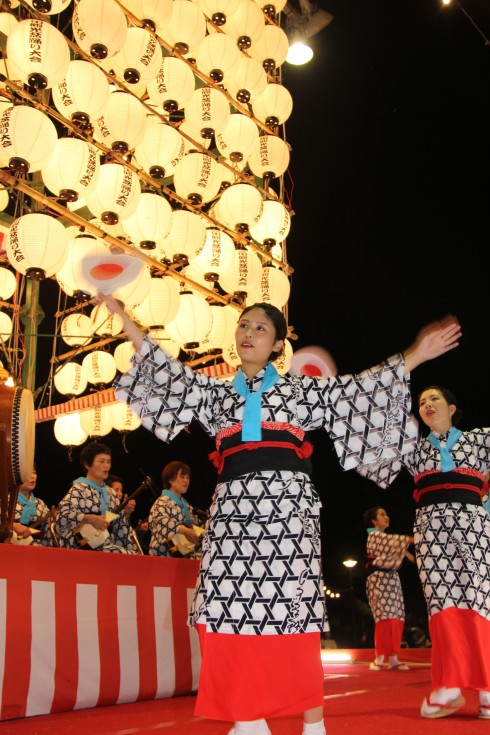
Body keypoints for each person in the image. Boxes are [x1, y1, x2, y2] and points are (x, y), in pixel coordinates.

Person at [101, 291, 460, 735]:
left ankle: (312, 722)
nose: (248, 333)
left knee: (290, 611)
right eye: (244, 325)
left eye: (260, 328)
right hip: (231, 509)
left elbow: (360, 389)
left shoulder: (301, 391)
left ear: (278, 347)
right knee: (223, 609)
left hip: (287, 510)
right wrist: (124, 316)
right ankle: (248, 717)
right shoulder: (213, 394)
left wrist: (416, 354)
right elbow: (162, 368)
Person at [357, 385, 490, 719]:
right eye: (422, 402)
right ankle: (449, 684)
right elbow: (372, 461)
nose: (428, 404)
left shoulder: (480, 439)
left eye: (435, 399)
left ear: (453, 406)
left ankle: (487, 688)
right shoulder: (413, 448)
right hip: (431, 527)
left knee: (479, 598)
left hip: (472, 524)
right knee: (441, 602)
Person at [55, 442, 138, 553]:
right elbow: (62, 518)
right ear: (87, 464)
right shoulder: (78, 489)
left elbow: (118, 528)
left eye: (108, 462)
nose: (106, 465)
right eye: (102, 461)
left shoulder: (111, 494)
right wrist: (88, 518)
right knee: (125, 556)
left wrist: (125, 514)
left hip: (107, 546)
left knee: (133, 556)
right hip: (82, 548)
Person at [363, 506, 414, 671]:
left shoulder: (382, 536)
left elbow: (393, 546)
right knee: (384, 616)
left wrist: (405, 552)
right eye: (382, 515)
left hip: (392, 578)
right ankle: (379, 657)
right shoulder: (374, 535)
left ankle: (393, 658)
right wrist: (409, 540)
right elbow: (392, 542)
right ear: (374, 521)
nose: (387, 517)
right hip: (379, 579)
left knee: (396, 617)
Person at [148, 460, 204, 559]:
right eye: (182, 477)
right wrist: (184, 530)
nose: (186, 481)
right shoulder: (161, 502)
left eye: (187, 477)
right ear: (170, 479)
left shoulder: (186, 505)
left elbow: (196, 526)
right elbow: (161, 522)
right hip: (164, 555)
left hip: (185, 552)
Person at [12, 468, 55, 547]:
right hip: (11, 550)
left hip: (37, 550)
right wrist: (13, 526)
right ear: (15, 477)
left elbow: (45, 535)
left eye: (34, 473)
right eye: (28, 473)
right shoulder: (6, 502)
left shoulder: (40, 504)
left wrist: (54, 521)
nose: (32, 477)